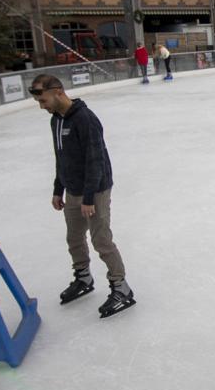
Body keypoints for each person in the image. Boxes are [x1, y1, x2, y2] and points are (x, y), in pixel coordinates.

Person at [30, 74, 136, 318]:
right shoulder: (55, 120)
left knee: (101, 240)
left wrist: (89, 197)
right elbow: (61, 158)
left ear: (58, 91)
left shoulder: (85, 119)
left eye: (43, 100)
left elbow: (95, 160)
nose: (41, 106)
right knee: (74, 239)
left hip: (95, 190)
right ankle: (84, 277)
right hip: (72, 189)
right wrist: (59, 189)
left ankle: (122, 287)